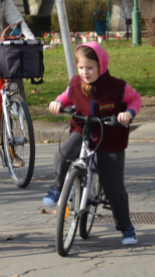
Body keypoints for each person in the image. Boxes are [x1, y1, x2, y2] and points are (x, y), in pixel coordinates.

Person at [42, 42, 142, 245]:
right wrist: (58, 102)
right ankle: (58, 188)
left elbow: (135, 100)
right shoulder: (76, 84)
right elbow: (66, 96)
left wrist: (128, 113)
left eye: (90, 68)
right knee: (62, 155)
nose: (85, 73)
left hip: (109, 137)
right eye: (81, 68)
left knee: (114, 188)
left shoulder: (117, 87)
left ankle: (126, 228)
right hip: (83, 129)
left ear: (101, 66)